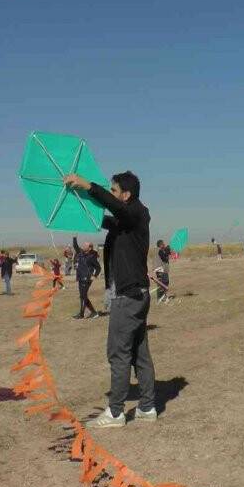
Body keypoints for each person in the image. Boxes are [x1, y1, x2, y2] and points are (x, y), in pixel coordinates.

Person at [63, 171, 156, 428]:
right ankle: (147, 408)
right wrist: (78, 202)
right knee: (139, 354)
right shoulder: (126, 221)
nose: (111, 194)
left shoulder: (134, 213)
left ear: (125, 195)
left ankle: (115, 413)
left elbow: (115, 208)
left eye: (113, 190)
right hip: (134, 295)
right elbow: (104, 219)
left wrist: (88, 185)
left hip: (128, 297)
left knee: (118, 353)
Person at [71, 236, 102, 319]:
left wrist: (94, 276)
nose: (83, 246)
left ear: (90, 248)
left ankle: (81, 314)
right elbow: (75, 246)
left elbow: (98, 268)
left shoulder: (92, 256)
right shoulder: (81, 253)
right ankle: (94, 313)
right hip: (80, 277)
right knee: (83, 296)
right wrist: (74, 238)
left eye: (85, 246)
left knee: (83, 296)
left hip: (87, 278)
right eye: (83, 245)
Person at [154, 240, 172, 304]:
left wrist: (167, 251)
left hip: (159, 269)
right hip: (161, 270)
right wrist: (167, 251)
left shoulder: (157, 250)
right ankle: (163, 298)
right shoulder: (159, 250)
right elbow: (164, 258)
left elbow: (164, 256)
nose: (164, 245)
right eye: (163, 244)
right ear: (160, 245)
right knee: (164, 283)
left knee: (161, 283)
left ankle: (161, 298)